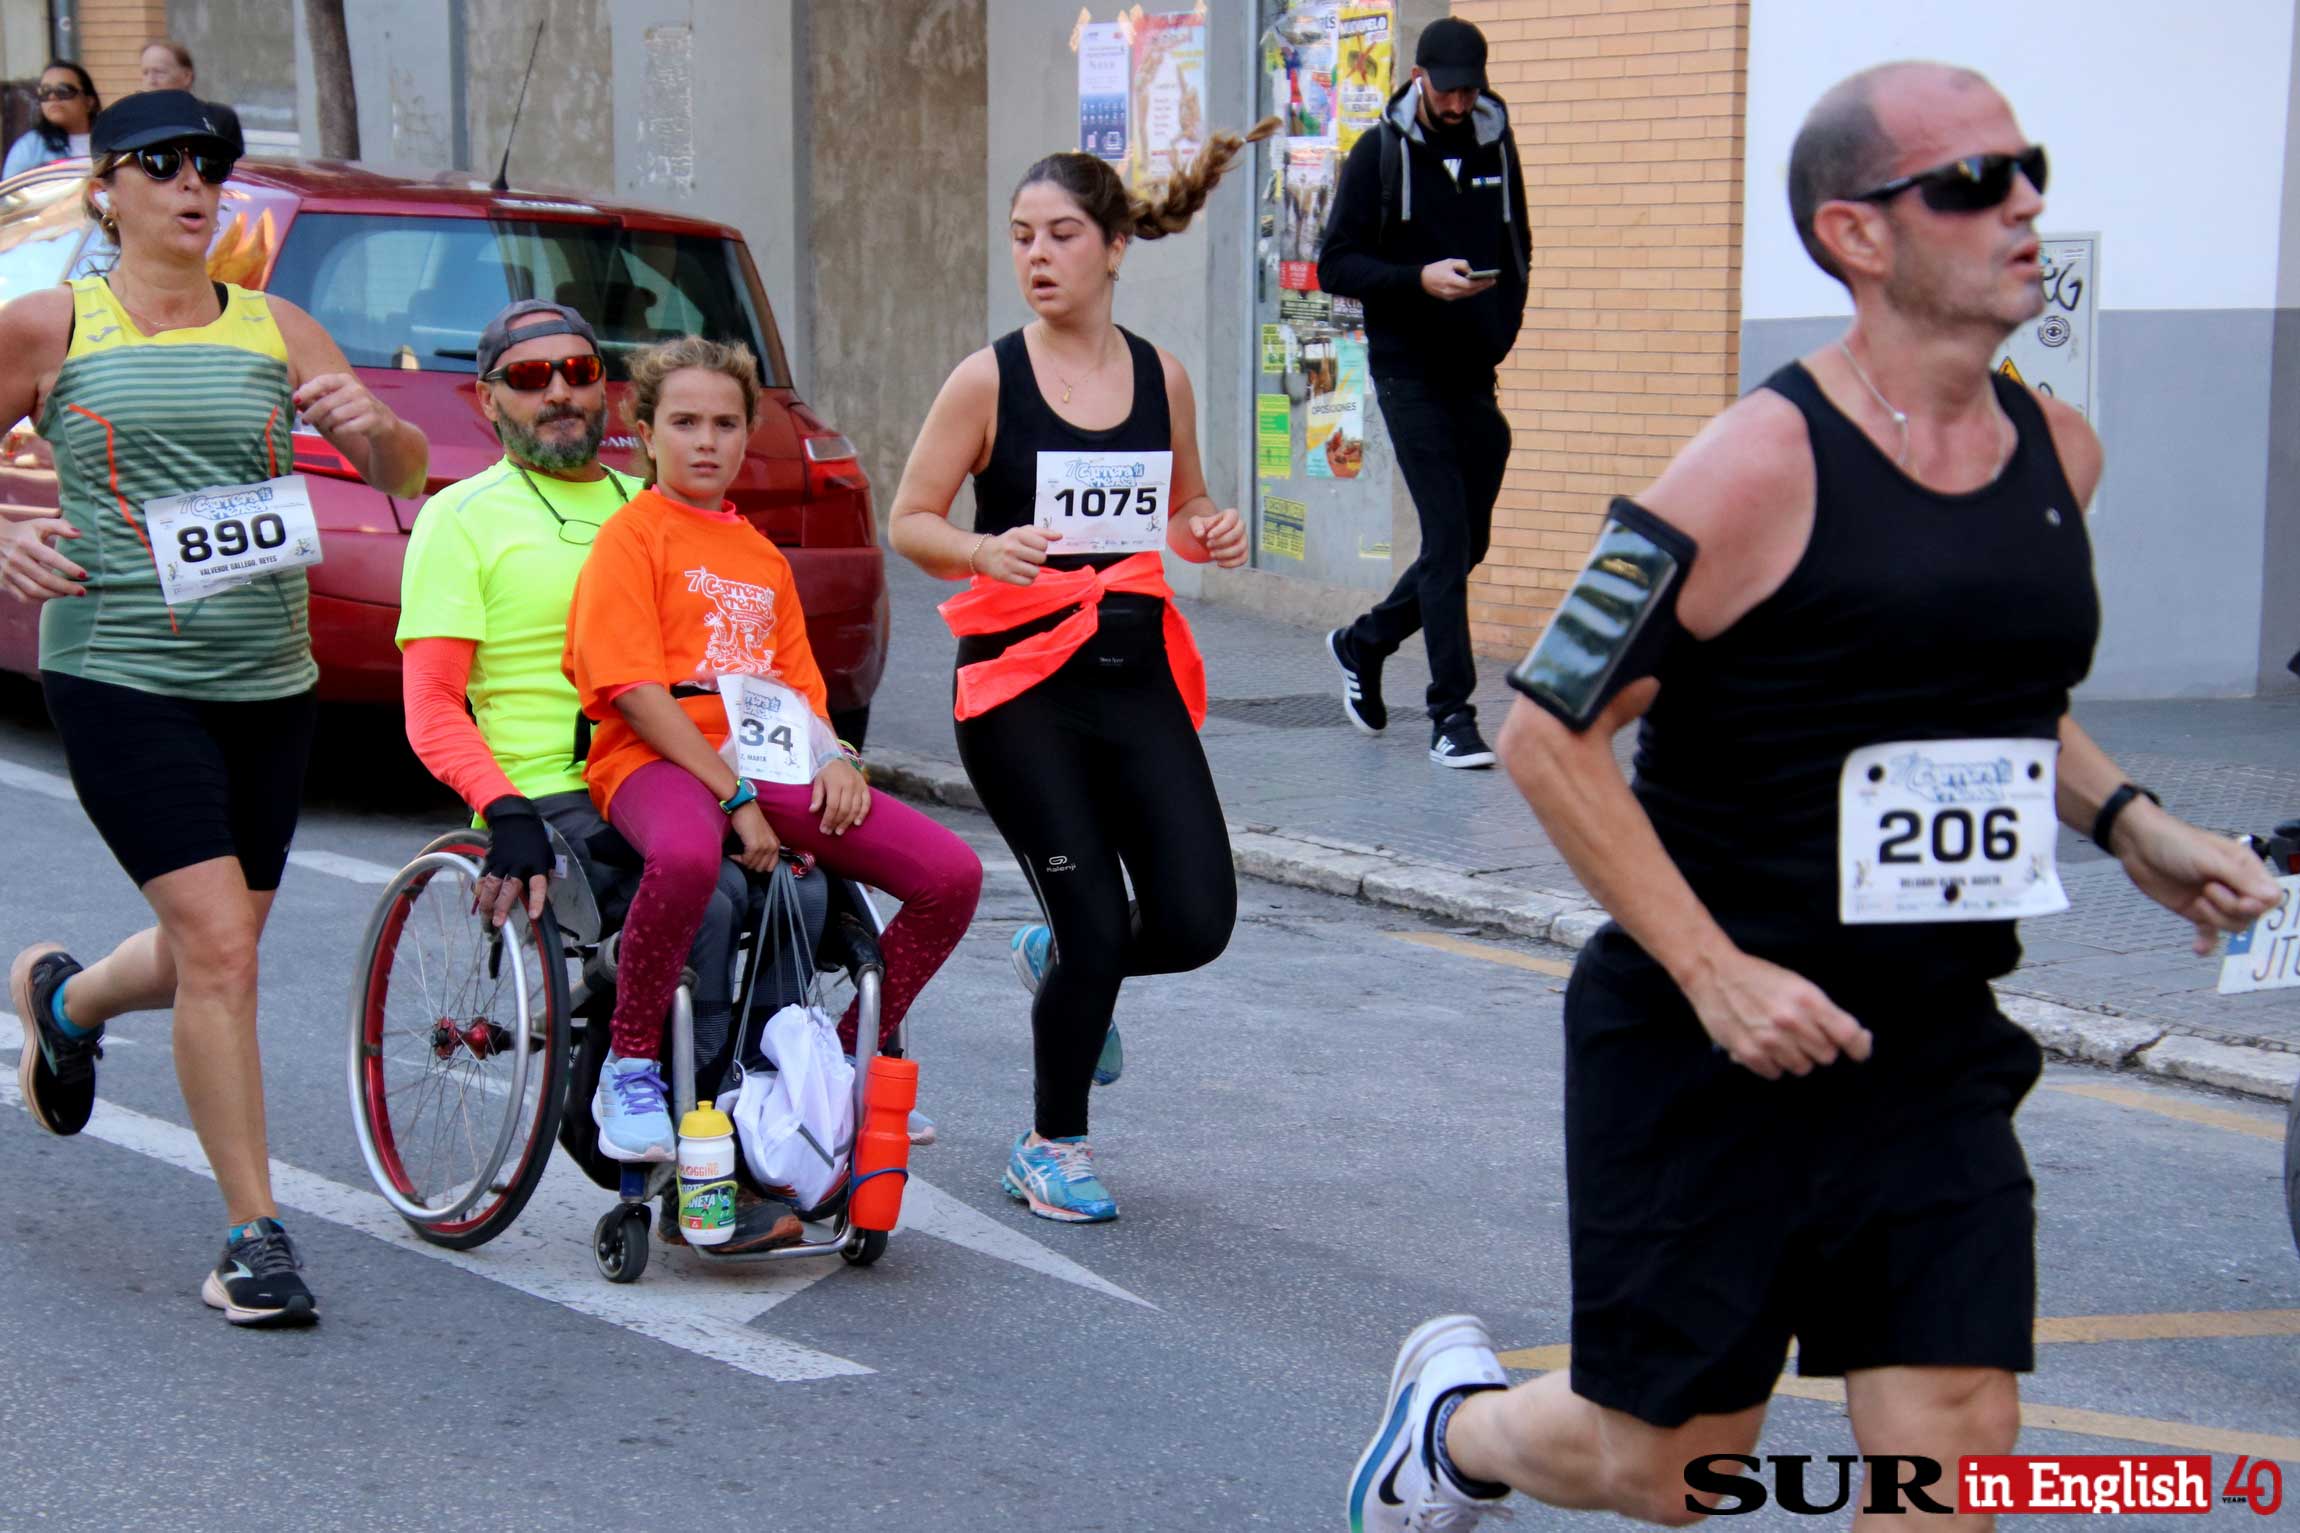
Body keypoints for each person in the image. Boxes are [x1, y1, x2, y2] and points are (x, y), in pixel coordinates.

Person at [1347, 62, 2289, 1530]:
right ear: (1858, 235)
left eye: (2025, 170)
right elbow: (1547, 729)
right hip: (1706, 1049)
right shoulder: (1751, 468)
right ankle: (1449, 1433)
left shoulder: (2060, 455)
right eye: (1975, 183)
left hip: (1926, 1041)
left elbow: (1985, 691)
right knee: (1669, 1468)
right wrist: (1716, 974)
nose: (2025, 204)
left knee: (1959, 1446)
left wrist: (2132, 823)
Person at [0, 90, 427, 1327]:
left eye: (210, 167)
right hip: (121, 670)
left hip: (266, 681)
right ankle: (254, 1235)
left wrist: (377, 426)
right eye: (162, 164)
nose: (193, 185)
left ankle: (66, 1005)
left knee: (208, 946)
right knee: (225, 953)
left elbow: (403, 475)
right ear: (108, 192)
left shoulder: (279, 327)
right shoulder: (49, 324)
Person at [884, 127, 1261, 1222]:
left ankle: (1059, 957)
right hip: (1017, 689)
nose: (1036, 256)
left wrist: (1212, 525)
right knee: (1101, 919)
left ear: (1112, 248)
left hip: (1131, 673)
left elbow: (1181, 505)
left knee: (1193, 921)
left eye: (1059, 235)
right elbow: (908, 517)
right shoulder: (986, 380)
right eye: (1020, 239)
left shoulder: (1160, 376)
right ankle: (1049, 1145)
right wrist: (977, 551)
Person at [395, 299, 815, 1252]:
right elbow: (430, 706)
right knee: (704, 906)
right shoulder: (460, 519)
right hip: (551, 785)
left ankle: (774, 1121)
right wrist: (499, 805)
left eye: (578, 370)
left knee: (809, 893)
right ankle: (680, 1166)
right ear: (487, 398)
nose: (560, 392)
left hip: (686, 769)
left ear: (609, 389)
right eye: (531, 376)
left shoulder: (657, 505)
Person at [563, 335, 981, 1173]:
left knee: (951, 877)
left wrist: (838, 761)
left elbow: (801, 689)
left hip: (771, 761)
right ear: (645, 433)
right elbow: (636, 692)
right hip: (654, 759)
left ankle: (841, 1061)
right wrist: (732, 797)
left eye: (724, 422)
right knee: (684, 856)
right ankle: (631, 1063)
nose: (705, 440)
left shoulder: (760, 556)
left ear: (748, 432)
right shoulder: (631, 537)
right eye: (683, 422)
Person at [1317, 15, 1528, 769]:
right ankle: (1451, 716)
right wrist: (1416, 282)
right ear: (1419, 77)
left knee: (1468, 542)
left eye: (1471, 88)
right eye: (1448, 89)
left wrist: (1499, 329)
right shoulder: (1379, 153)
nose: (1459, 102)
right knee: (1444, 539)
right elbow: (1335, 265)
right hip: (1406, 371)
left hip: (1474, 370)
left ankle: (1364, 640)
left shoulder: (1495, 143)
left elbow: (1518, 245)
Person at [136, 39, 244, 158]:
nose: (151, 81)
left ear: (186, 77)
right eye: (145, 73)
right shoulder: (132, 123)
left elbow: (236, 169)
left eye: (159, 72)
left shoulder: (220, 118)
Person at [3, 62, 98, 180]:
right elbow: (10, 195)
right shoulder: (29, 146)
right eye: (45, 92)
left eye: (64, 90)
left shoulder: (111, 141)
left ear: (89, 102)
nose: (52, 97)